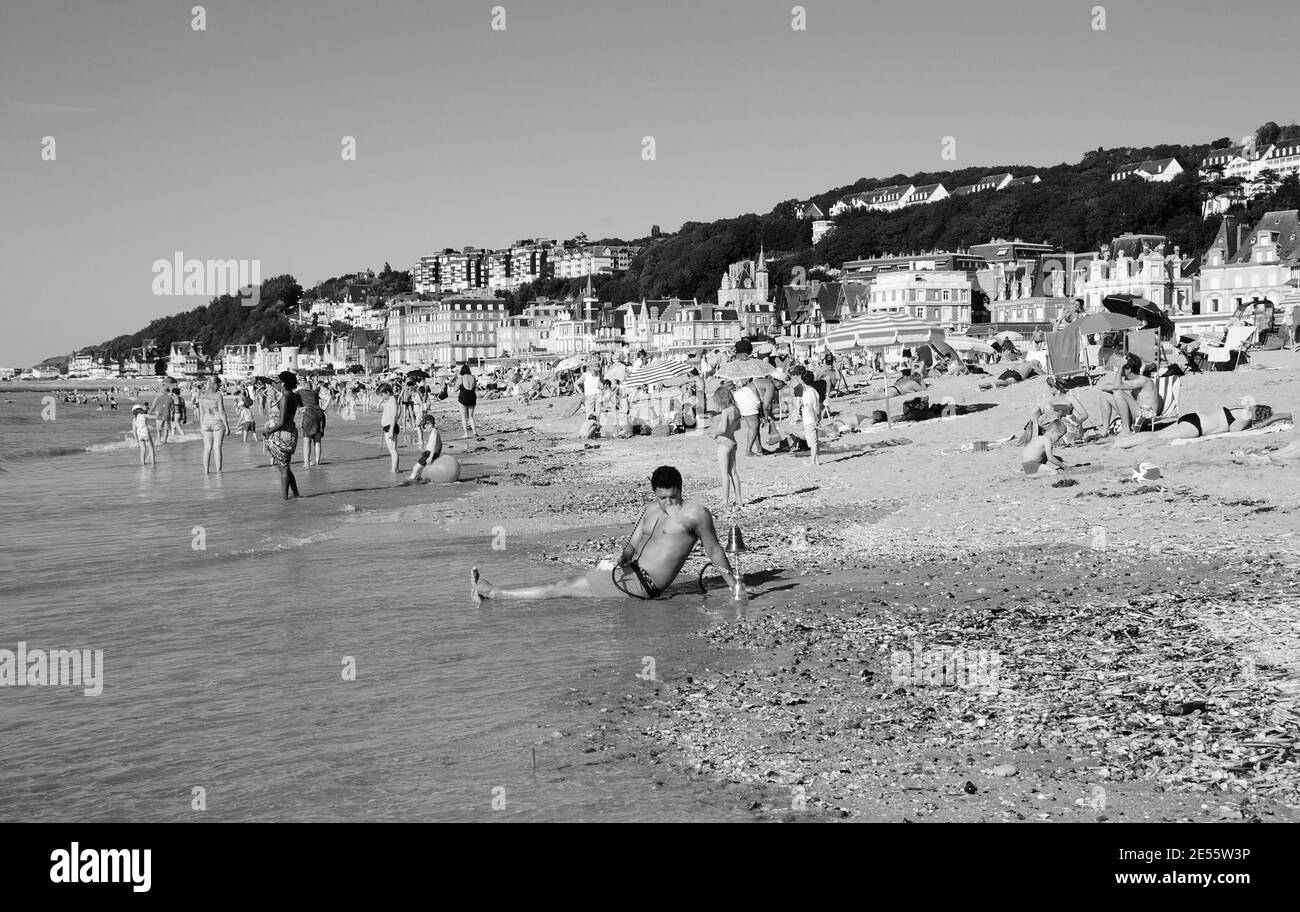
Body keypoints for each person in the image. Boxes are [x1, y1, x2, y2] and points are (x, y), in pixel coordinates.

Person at [472, 466, 744, 601]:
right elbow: (634, 541)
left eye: (673, 497)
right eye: (662, 497)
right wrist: (621, 557)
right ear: (654, 494)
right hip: (627, 573)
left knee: (563, 588)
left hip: (643, 586)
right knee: (566, 585)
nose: (668, 503)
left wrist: (734, 585)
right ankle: (497, 593)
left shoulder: (696, 514)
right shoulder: (650, 509)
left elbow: (714, 549)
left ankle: (497, 594)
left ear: (681, 490)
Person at [1114, 403, 1275, 449]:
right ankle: (1124, 443)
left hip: (1194, 417)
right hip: (1197, 426)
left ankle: (1126, 440)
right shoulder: (1246, 415)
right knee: (1158, 437)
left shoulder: (1240, 408)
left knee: (1159, 433)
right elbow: (1235, 431)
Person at [263, 371, 301, 499]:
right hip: (289, 431)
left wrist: (269, 431)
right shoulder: (293, 395)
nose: (275, 384)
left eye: (277, 382)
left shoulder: (285, 397)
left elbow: (282, 421)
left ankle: (285, 499)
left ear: (283, 383)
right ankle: (295, 494)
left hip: (284, 434)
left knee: (284, 468)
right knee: (285, 467)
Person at [710, 386, 743, 507]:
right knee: (733, 472)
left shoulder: (725, 412)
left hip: (724, 443)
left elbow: (723, 429)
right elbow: (738, 427)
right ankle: (739, 499)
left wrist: (714, 433)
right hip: (733, 442)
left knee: (724, 473)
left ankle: (725, 500)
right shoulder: (736, 410)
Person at [196, 376, 231, 474]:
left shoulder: (201, 395)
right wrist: (227, 426)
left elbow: (201, 413)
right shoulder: (218, 395)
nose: (220, 387)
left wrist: (201, 425)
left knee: (207, 448)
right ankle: (218, 471)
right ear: (215, 384)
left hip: (205, 423)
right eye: (219, 385)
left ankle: (206, 472)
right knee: (217, 447)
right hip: (217, 422)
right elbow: (222, 412)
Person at [297, 378, 326, 467]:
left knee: (306, 439)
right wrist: (323, 408)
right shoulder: (315, 393)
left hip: (309, 415)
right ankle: (317, 461)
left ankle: (306, 464)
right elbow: (329, 397)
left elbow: (291, 401)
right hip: (320, 415)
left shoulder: (299, 392)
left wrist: (299, 408)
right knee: (317, 440)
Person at [408, 414, 444, 482]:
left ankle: (410, 481)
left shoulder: (434, 432)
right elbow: (440, 444)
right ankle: (420, 479)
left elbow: (433, 445)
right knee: (420, 469)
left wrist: (430, 457)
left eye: (425, 426)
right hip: (431, 454)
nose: (424, 428)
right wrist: (437, 456)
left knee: (416, 468)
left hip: (429, 454)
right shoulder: (434, 432)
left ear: (430, 424)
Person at [733, 379, 763, 457]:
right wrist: (766, 417)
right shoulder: (769, 385)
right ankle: (748, 451)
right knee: (753, 426)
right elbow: (767, 405)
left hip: (742, 397)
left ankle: (759, 449)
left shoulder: (755, 382)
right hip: (747, 400)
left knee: (754, 426)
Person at [799, 368, 822, 466]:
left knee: (812, 443)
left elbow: (809, 408)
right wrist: (818, 418)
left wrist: (814, 420)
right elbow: (818, 406)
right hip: (815, 418)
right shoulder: (814, 391)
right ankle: (817, 461)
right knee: (815, 441)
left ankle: (812, 462)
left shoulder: (808, 393)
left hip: (810, 420)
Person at [378, 383, 401, 472]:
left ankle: (394, 469)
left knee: (392, 449)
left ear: (387, 392)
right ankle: (395, 468)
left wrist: (391, 429)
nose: (382, 397)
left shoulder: (392, 400)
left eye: (383, 395)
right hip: (388, 426)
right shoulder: (390, 400)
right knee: (392, 449)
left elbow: (394, 415)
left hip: (390, 427)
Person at [456, 364, 478, 438]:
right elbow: (475, 387)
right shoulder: (473, 377)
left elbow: (455, 389)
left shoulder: (461, 379)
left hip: (463, 398)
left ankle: (466, 434)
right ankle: (475, 432)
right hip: (472, 397)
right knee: (471, 416)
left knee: (464, 417)